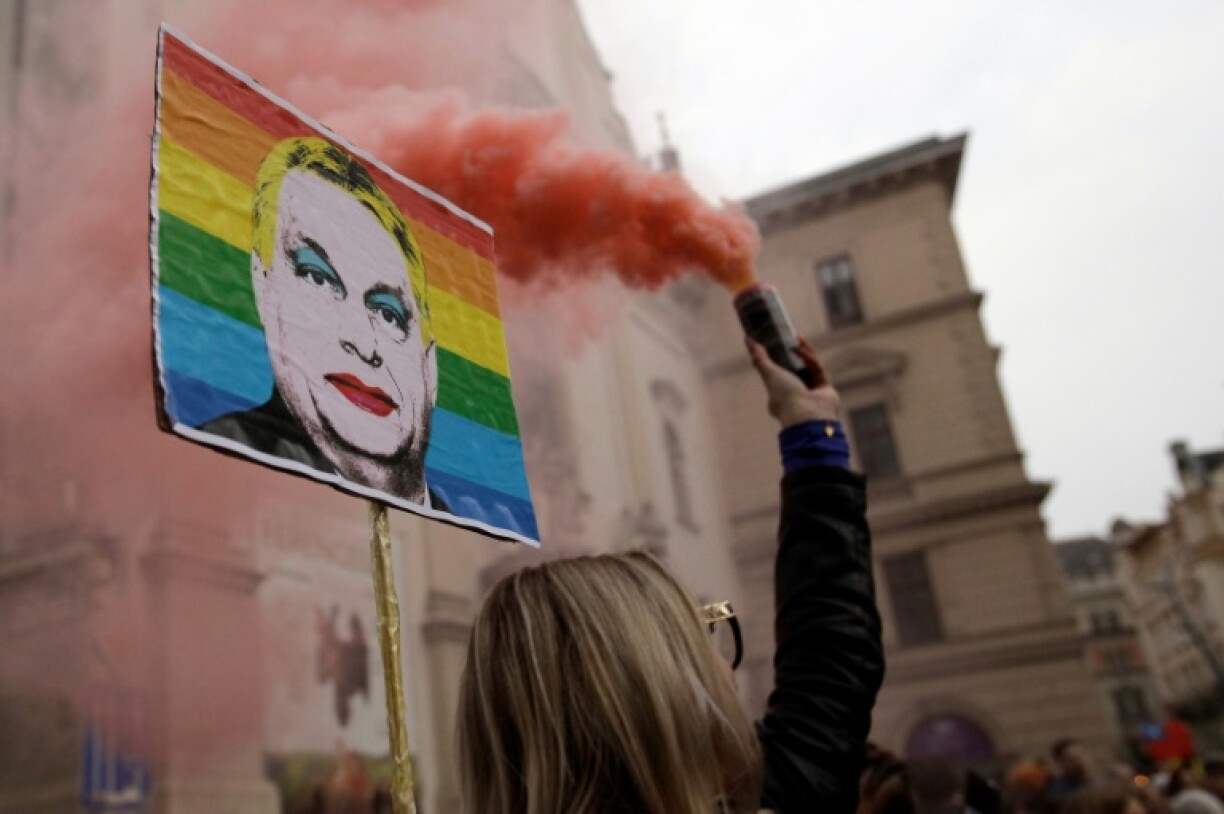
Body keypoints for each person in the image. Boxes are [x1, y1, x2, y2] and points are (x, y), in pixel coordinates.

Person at [455, 336, 885, 814]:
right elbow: (830, 674)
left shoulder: (751, 793)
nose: (726, 666)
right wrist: (812, 435)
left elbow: (827, 663)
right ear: (639, 691)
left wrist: (810, 427)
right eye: (699, 634)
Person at [198, 136, 439, 506]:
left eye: (389, 314)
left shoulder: (469, 516)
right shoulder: (220, 455)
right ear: (264, 289)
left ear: (430, 366)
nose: (363, 343)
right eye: (318, 278)